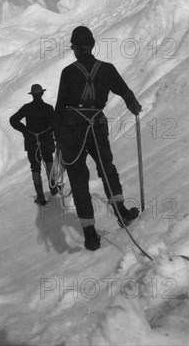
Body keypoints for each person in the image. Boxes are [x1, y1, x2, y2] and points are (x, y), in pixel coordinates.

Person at [54, 26, 142, 251]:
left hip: (72, 129)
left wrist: (58, 141)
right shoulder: (107, 69)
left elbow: (60, 108)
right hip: (97, 126)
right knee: (106, 168)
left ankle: (90, 235)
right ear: (92, 45)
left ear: (75, 48)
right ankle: (122, 213)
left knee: (79, 178)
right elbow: (125, 91)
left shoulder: (69, 72)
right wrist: (133, 105)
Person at [10, 84, 59, 205]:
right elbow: (55, 125)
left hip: (31, 141)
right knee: (49, 163)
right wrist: (58, 139)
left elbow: (13, 120)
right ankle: (54, 190)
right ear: (42, 94)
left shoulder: (27, 108)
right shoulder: (48, 108)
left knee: (35, 167)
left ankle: (40, 197)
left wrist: (25, 131)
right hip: (46, 140)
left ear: (32, 95)